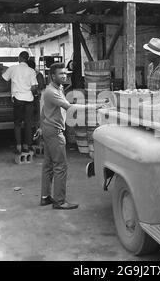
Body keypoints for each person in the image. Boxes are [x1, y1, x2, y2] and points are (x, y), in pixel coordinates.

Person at [36, 62, 104, 210]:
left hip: (48, 130)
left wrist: (41, 128)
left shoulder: (56, 89)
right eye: (61, 73)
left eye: (65, 73)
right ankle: (60, 201)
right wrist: (93, 107)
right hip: (54, 132)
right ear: (52, 76)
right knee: (60, 166)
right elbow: (69, 107)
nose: (64, 75)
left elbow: (43, 110)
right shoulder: (51, 91)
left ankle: (45, 197)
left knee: (48, 165)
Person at [2, 51, 38, 154]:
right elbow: (34, 87)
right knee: (28, 123)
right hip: (29, 99)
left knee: (17, 123)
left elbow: (4, 78)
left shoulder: (13, 68)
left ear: (19, 58)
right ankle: (27, 146)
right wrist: (34, 93)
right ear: (27, 59)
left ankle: (18, 146)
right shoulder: (31, 71)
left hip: (18, 99)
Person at [26, 59, 45, 130]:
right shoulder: (39, 74)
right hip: (37, 98)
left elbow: (39, 87)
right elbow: (41, 86)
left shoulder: (36, 75)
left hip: (35, 98)